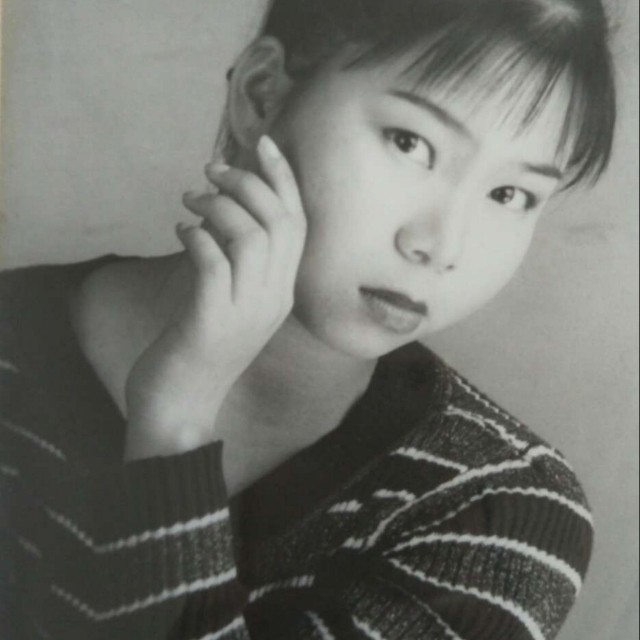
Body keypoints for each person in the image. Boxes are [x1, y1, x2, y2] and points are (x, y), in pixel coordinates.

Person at [0, 0, 617, 638]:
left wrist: (175, 423)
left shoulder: (498, 508)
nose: (440, 245)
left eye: (510, 194)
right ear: (261, 94)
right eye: (410, 143)